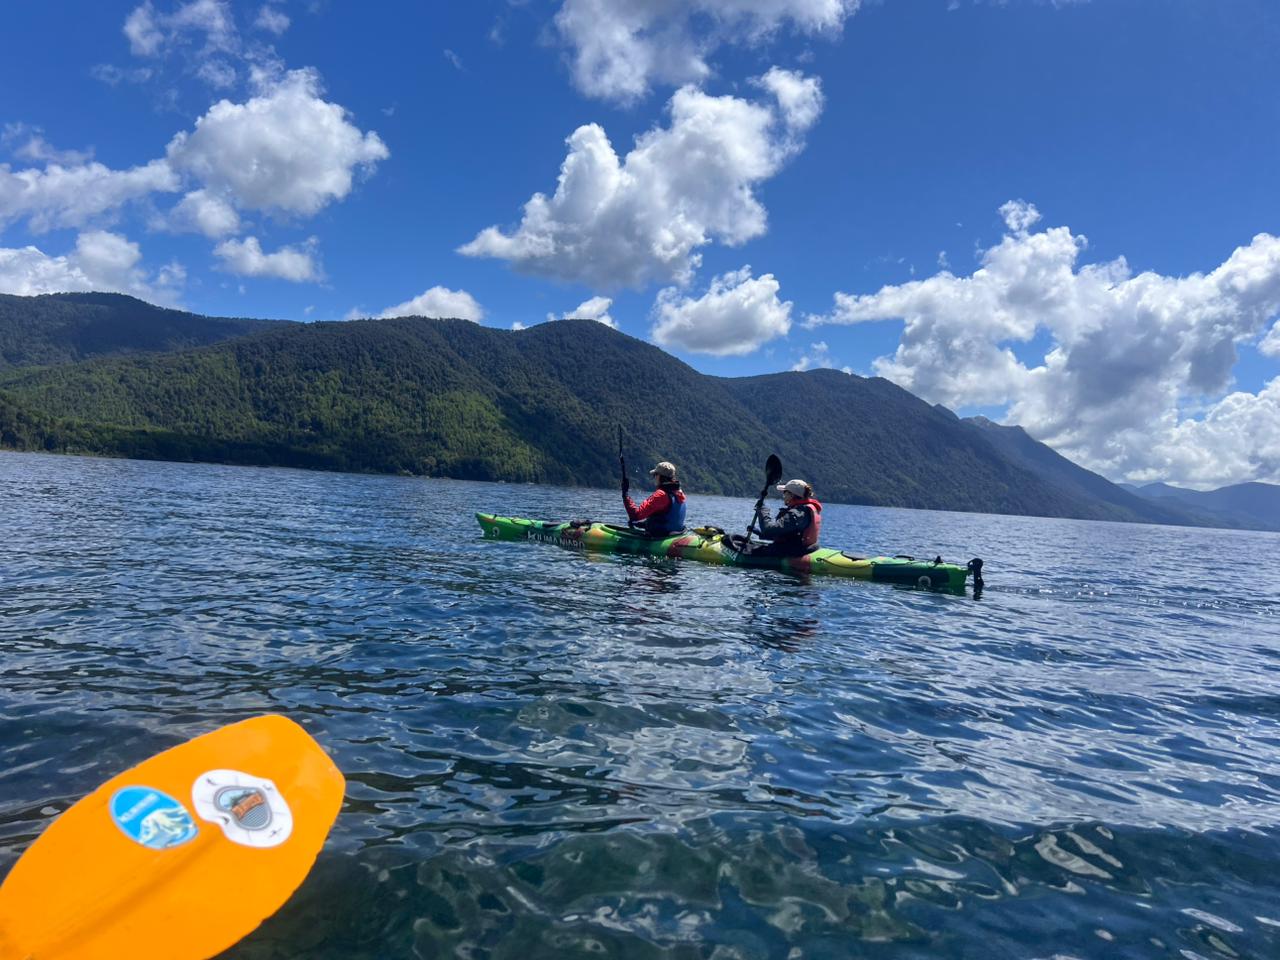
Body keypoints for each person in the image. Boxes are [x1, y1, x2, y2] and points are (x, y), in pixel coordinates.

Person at [751, 479, 822, 557]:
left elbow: (768, 529)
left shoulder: (797, 513)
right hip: (803, 548)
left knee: (746, 548)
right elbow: (790, 535)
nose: (783, 496)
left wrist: (762, 509)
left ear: (791, 495)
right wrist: (761, 533)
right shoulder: (804, 510)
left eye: (784, 492)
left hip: (794, 552)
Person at [622, 461, 687, 536]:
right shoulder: (679, 493)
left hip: (659, 538)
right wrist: (644, 524)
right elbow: (667, 518)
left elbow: (636, 515)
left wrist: (625, 494)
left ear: (659, 476)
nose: (654, 478)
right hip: (675, 535)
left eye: (655, 475)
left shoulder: (660, 495)